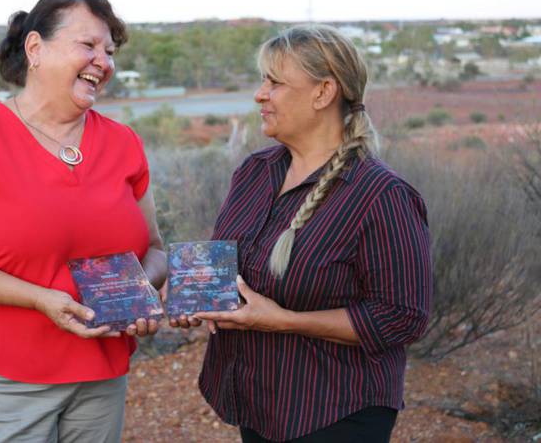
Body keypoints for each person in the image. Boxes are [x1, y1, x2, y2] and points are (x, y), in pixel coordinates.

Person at [0, 0, 166, 443]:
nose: (102, 62)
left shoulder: (124, 143)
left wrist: (140, 293)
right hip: (8, 374)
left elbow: (156, 250)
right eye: (88, 45)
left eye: (109, 52)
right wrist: (40, 299)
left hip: (101, 372)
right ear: (35, 50)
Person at [181, 25, 432, 442]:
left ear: (323, 93)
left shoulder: (380, 195)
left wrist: (286, 322)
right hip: (259, 401)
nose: (261, 94)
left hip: (335, 410)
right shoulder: (255, 172)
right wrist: (194, 292)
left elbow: (402, 316)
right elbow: (226, 264)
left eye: (275, 82)